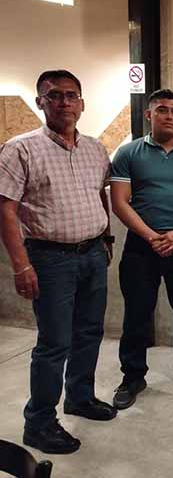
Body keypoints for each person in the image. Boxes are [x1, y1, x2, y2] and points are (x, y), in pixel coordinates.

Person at [0, 70, 116, 454]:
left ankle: (79, 397)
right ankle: (39, 423)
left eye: (71, 95)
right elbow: (5, 209)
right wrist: (21, 265)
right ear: (40, 102)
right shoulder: (20, 149)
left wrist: (106, 237)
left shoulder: (95, 148)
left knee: (89, 332)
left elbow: (100, 194)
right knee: (54, 343)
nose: (64, 102)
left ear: (82, 103)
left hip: (92, 254)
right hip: (50, 260)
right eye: (54, 95)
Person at [109, 89, 173, 410]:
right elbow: (119, 202)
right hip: (141, 249)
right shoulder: (128, 153)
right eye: (162, 110)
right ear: (148, 115)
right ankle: (132, 376)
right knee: (137, 314)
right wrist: (152, 237)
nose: (169, 116)